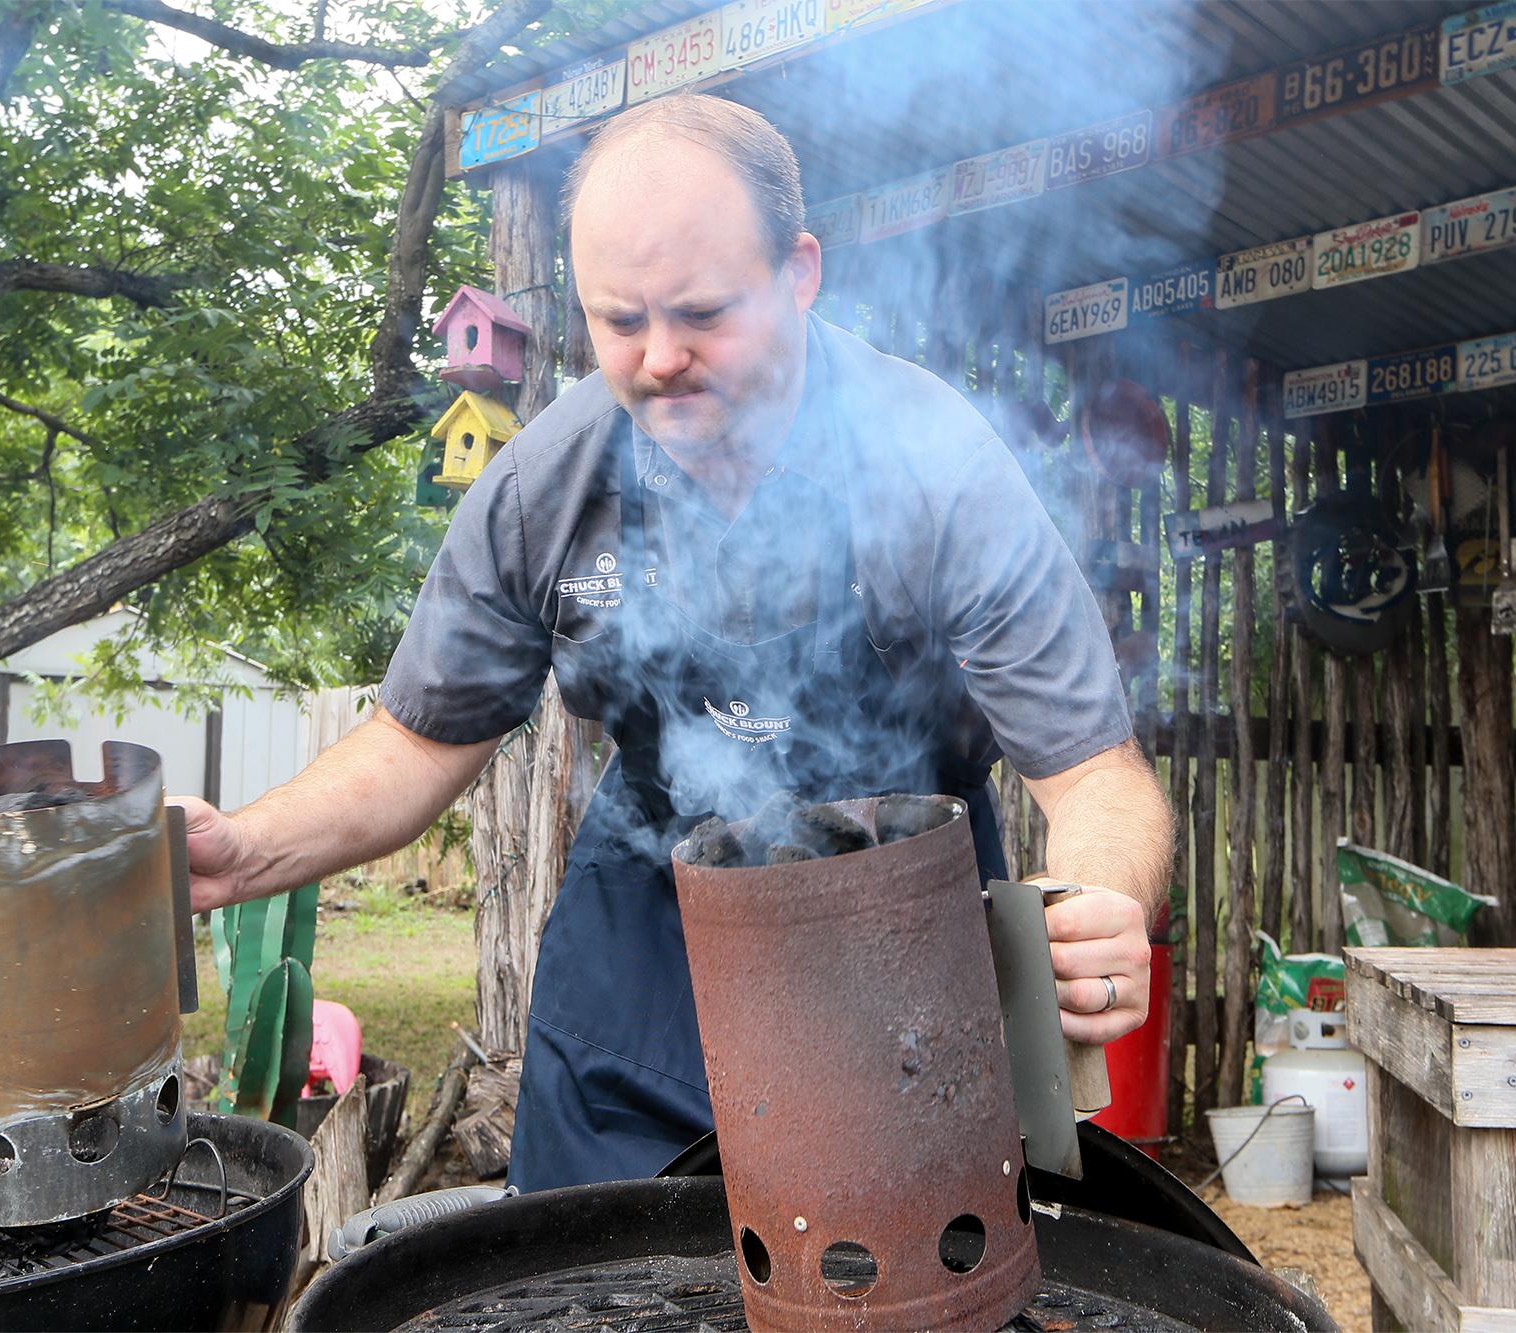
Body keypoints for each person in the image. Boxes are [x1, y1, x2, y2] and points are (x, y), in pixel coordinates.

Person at [178, 94, 1173, 1192]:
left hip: (905, 949)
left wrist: (1092, 908)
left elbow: (1098, 780)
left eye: (701, 311)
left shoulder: (938, 467)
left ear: (798, 272)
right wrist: (248, 850)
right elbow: (416, 741)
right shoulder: (545, 489)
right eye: (617, 320)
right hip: (645, 957)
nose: (658, 359)